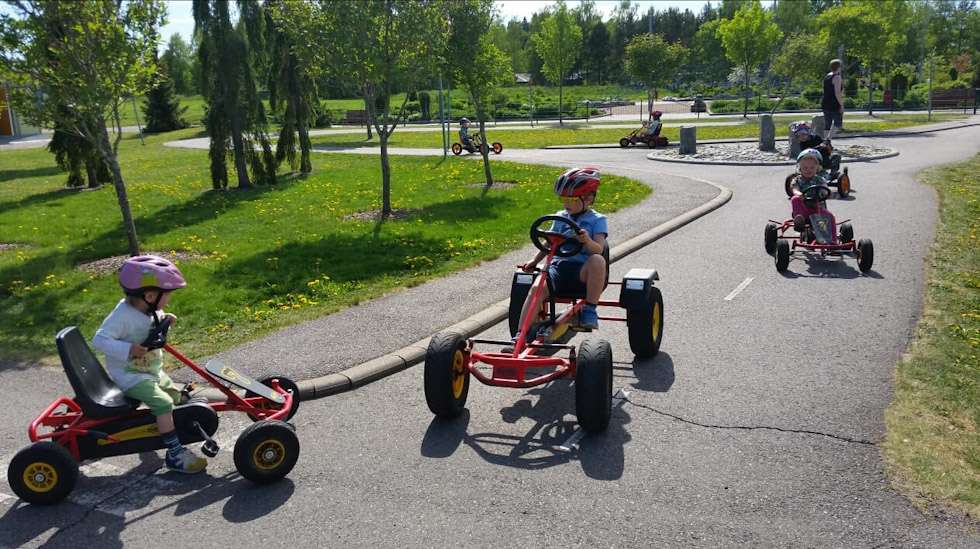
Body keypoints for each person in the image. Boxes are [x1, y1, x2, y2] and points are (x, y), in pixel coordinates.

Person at [92, 255, 208, 474]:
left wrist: (166, 322)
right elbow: (99, 340)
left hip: (150, 370)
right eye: (167, 296)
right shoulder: (122, 316)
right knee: (164, 404)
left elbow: (152, 332)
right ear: (150, 295)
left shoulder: (148, 308)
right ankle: (175, 454)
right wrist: (128, 350)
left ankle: (176, 425)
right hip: (131, 376)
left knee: (177, 396)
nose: (168, 301)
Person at [507, 167, 608, 351]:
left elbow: (599, 249)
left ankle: (590, 310)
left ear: (588, 199)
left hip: (582, 273)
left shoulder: (597, 220)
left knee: (598, 260)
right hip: (558, 268)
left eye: (570, 199)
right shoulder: (560, 217)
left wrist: (586, 240)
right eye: (563, 199)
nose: (565, 204)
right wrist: (534, 261)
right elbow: (548, 243)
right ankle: (520, 336)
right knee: (537, 286)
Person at [790, 149, 837, 239]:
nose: (808, 170)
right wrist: (798, 193)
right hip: (803, 209)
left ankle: (833, 242)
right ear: (800, 168)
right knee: (795, 199)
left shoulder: (820, 179)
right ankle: (800, 221)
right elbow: (794, 189)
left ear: (817, 168)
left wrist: (826, 192)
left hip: (817, 208)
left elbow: (825, 187)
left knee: (830, 217)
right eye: (805, 168)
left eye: (812, 168)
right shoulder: (797, 180)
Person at [821, 59, 845, 139]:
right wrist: (841, 105)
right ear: (839, 67)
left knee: (827, 124)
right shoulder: (837, 77)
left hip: (825, 102)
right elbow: (837, 93)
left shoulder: (827, 76)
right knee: (838, 123)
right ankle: (828, 140)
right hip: (834, 103)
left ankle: (825, 142)